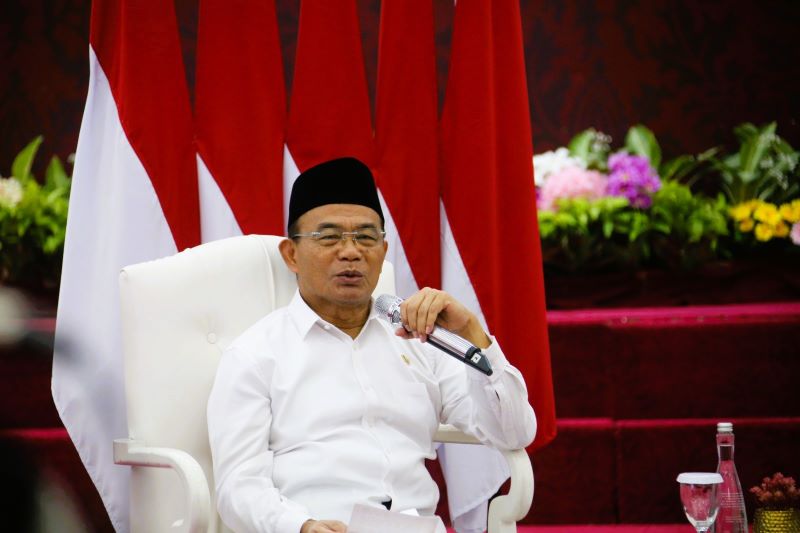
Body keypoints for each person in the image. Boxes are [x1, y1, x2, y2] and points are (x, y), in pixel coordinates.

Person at [207, 157, 536, 533]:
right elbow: (238, 486)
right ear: (291, 255)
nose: (351, 252)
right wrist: (301, 526)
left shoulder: (419, 341)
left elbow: (514, 432)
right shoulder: (256, 355)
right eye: (329, 237)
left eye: (365, 237)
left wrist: (474, 334)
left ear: (383, 250)